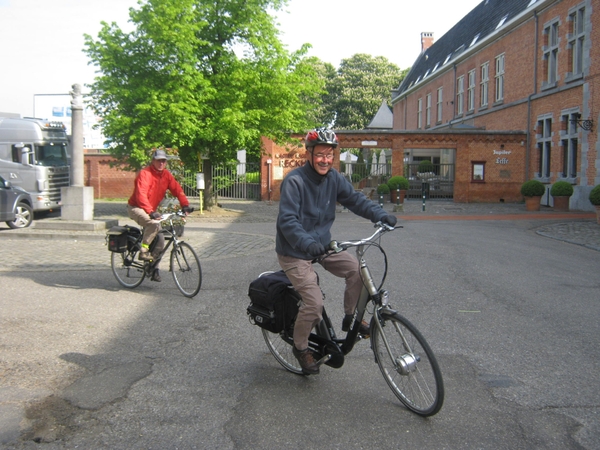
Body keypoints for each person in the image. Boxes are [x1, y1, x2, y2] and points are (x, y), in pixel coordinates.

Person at [276, 128, 397, 375]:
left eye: (329, 155)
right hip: (294, 250)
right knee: (314, 302)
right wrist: (307, 243)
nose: (325, 160)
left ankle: (351, 318)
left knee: (356, 271)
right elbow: (287, 221)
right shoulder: (295, 181)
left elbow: (355, 200)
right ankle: (300, 348)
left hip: (321, 246)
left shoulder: (334, 178)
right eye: (320, 154)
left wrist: (381, 215)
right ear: (309, 154)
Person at [128, 149, 191, 282]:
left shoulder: (166, 175)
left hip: (151, 209)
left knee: (160, 240)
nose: (161, 163)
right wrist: (151, 212)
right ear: (153, 161)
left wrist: (185, 205)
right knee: (153, 223)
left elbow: (177, 190)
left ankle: (153, 268)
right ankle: (143, 250)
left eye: (163, 161)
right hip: (137, 207)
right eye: (159, 160)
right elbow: (141, 196)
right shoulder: (145, 174)